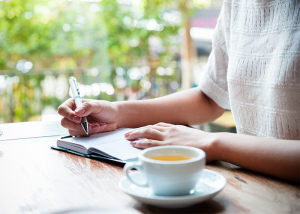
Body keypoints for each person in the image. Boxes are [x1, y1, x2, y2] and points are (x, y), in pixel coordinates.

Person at [58, 0, 300, 182]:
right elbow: (209, 97)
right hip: (249, 184)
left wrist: (213, 143)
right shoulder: (237, 4)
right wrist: (116, 112)